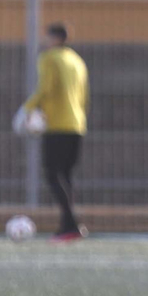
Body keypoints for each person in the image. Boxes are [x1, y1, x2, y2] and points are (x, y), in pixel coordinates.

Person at [16, 22, 89, 242]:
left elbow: (45, 89)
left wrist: (26, 109)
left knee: (53, 174)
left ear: (54, 38)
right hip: (77, 123)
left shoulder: (49, 58)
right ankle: (69, 226)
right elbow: (84, 95)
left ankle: (70, 225)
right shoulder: (77, 61)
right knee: (65, 177)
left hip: (57, 124)